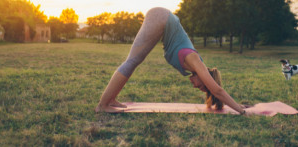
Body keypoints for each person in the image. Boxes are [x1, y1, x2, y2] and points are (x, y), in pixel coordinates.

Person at [95, 7, 246, 114]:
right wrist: (240, 110)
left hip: (163, 19)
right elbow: (217, 90)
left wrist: (236, 104)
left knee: (134, 60)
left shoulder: (191, 67)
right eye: (202, 87)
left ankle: (111, 99)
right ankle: (102, 104)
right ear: (205, 79)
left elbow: (215, 91)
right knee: (133, 60)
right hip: (161, 17)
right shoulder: (195, 61)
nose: (196, 88)